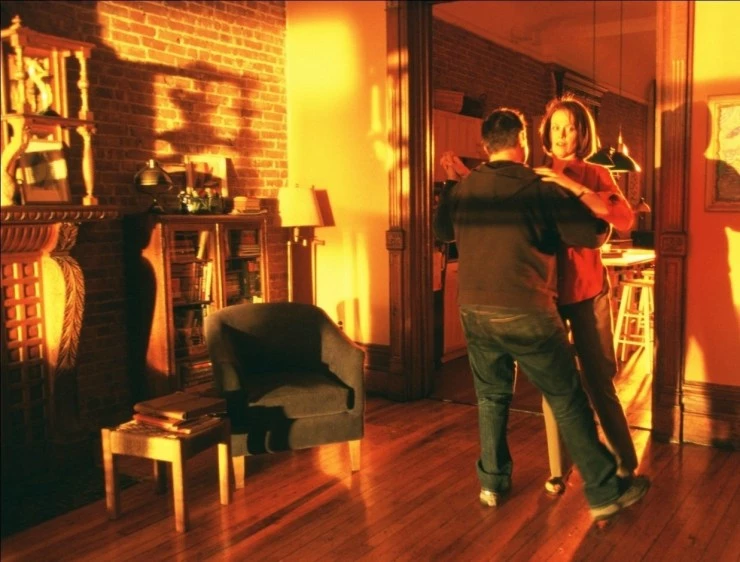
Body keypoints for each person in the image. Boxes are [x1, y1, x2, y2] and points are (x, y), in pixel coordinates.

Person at [434, 107, 649, 522]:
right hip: (526, 308)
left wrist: (457, 181)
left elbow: (444, 231)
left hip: (474, 310)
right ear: (524, 141)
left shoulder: (465, 187)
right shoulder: (538, 185)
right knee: (567, 397)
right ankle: (604, 489)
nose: (564, 135)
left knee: (491, 397)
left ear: (485, 145)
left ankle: (492, 483)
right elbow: (594, 234)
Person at [534, 95, 638, 496]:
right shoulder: (534, 174)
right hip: (546, 293)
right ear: (547, 132)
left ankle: (625, 462)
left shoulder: (596, 173)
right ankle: (558, 469)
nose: (562, 135)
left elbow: (624, 218)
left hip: (588, 290)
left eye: (571, 127)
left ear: (582, 133)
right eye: (556, 127)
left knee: (599, 380)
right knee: (554, 383)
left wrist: (572, 185)